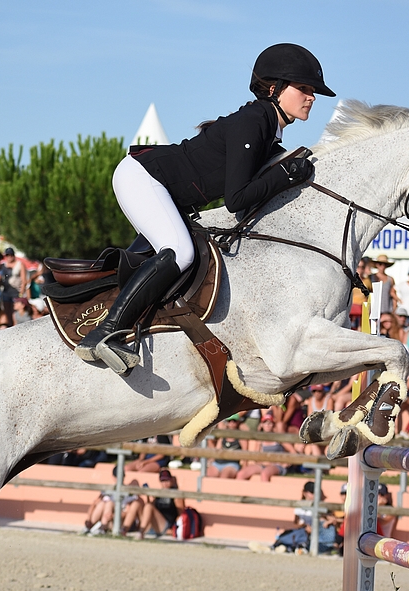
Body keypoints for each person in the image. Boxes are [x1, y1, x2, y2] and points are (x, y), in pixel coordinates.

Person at [75, 43, 332, 373]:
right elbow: (237, 199)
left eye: (312, 91)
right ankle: (103, 333)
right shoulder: (255, 121)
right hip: (143, 176)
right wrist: (284, 175)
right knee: (180, 252)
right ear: (274, 88)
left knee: (187, 251)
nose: (311, 97)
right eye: (304, 88)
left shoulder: (268, 128)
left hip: (163, 189)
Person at [138, 469, 186, 539]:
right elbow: (151, 508)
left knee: (148, 506)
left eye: (167, 480)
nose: (165, 483)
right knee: (139, 504)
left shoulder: (176, 495)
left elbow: (180, 515)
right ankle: (125, 529)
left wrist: (174, 528)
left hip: (167, 525)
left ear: (171, 480)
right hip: (156, 523)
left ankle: (141, 531)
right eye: (163, 481)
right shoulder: (159, 493)